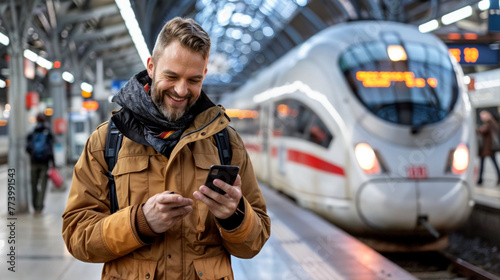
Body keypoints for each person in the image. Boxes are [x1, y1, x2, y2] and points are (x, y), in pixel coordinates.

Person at [62, 17, 270, 279]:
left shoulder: (226, 141)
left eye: (193, 80)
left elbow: (256, 239)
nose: (181, 91)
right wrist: (139, 223)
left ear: (204, 75)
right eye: (171, 76)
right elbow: (76, 236)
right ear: (151, 66)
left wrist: (235, 216)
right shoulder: (106, 141)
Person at [26, 112, 55, 214]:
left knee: (33, 184)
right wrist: (53, 163)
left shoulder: (32, 132)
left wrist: (33, 155)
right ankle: (39, 207)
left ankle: (34, 206)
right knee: (43, 185)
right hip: (45, 162)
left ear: (37, 120)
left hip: (34, 162)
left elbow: (27, 148)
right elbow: (51, 149)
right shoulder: (48, 132)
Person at [476, 110, 500, 185]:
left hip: (488, 148)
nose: (481, 117)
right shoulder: (492, 123)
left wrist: (476, 129)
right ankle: (480, 179)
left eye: (482, 116)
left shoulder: (488, 123)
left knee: (485, 164)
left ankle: (480, 179)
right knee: (491, 163)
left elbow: (481, 131)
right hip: (488, 148)